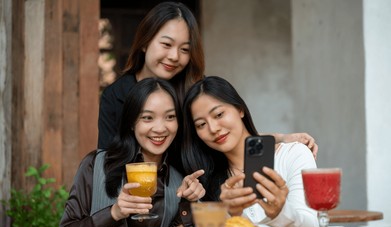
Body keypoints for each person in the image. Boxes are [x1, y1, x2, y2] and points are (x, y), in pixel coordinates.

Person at [97, 2, 318, 157]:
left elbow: (230, 140)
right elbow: (106, 160)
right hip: (137, 203)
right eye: (166, 45)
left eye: (184, 49)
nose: (174, 56)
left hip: (195, 200)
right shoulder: (115, 95)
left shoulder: (195, 90)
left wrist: (280, 139)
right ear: (145, 43)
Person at [57, 78, 205, 227]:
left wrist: (187, 204)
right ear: (132, 122)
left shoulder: (178, 179)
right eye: (147, 117)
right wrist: (114, 213)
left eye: (170, 117)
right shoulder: (95, 164)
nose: (160, 128)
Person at [181, 76, 319, 227]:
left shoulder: (294, 154)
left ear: (240, 109)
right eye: (201, 125)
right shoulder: (206, 180)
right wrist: (232, 214)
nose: (213, 128)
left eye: (218, 114)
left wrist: (280, 212)